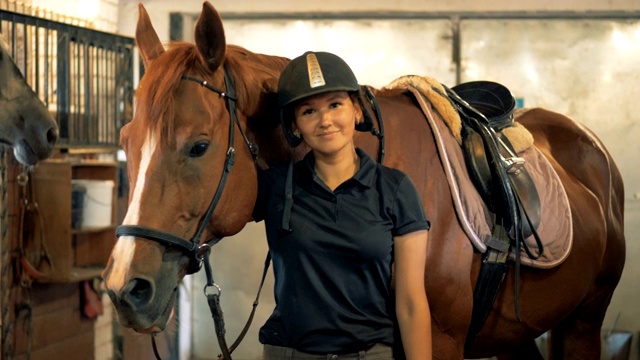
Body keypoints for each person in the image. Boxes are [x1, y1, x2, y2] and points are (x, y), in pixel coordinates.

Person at [253, 51, 432, 360]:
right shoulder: (273, 186)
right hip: (288, 353)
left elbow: (411, 302)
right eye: (308, 111)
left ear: (357, 111)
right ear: (294, 127)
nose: (325, 121)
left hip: (371, 354)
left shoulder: (395, 189)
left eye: (335, 105)